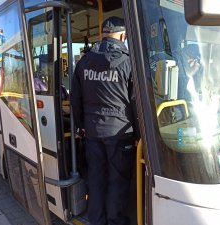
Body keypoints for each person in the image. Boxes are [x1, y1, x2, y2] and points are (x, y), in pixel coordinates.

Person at [71, 16, 138, 225]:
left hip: (92, 133)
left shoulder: (84, 62)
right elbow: (135, 103)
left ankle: (97, 221)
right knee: (117, 181)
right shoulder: (129, 62)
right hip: (120, 134)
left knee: (97, 179)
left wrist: (81, 127)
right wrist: (138, 135)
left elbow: (75, 98)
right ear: (123, 35)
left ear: (103, 34)